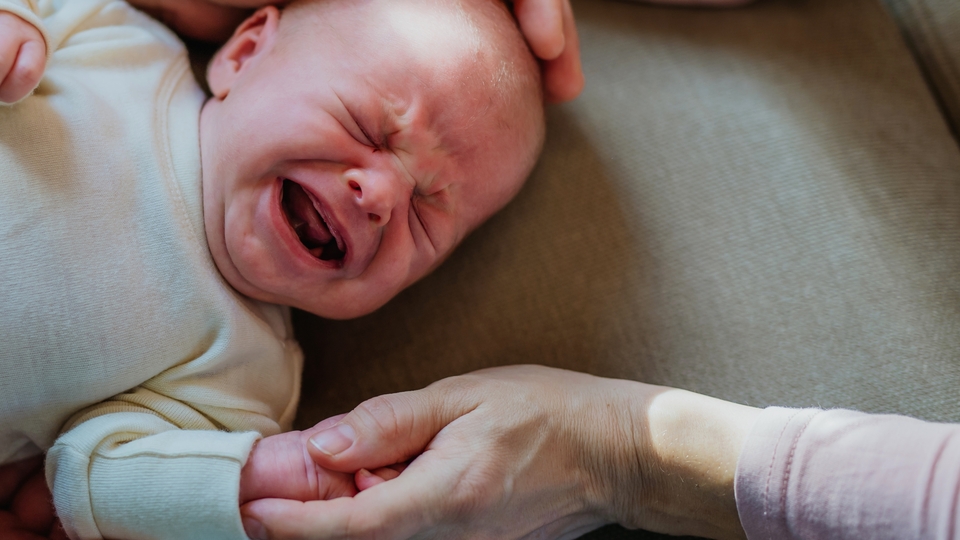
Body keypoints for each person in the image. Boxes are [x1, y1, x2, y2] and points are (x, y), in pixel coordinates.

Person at [0, 0, 556, 537]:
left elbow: (89, 480)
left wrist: (256, 478)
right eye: (367, 127)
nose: (382, 197)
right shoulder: (118, 42)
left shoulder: (243, 371)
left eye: (426, 213)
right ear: (243, 54)